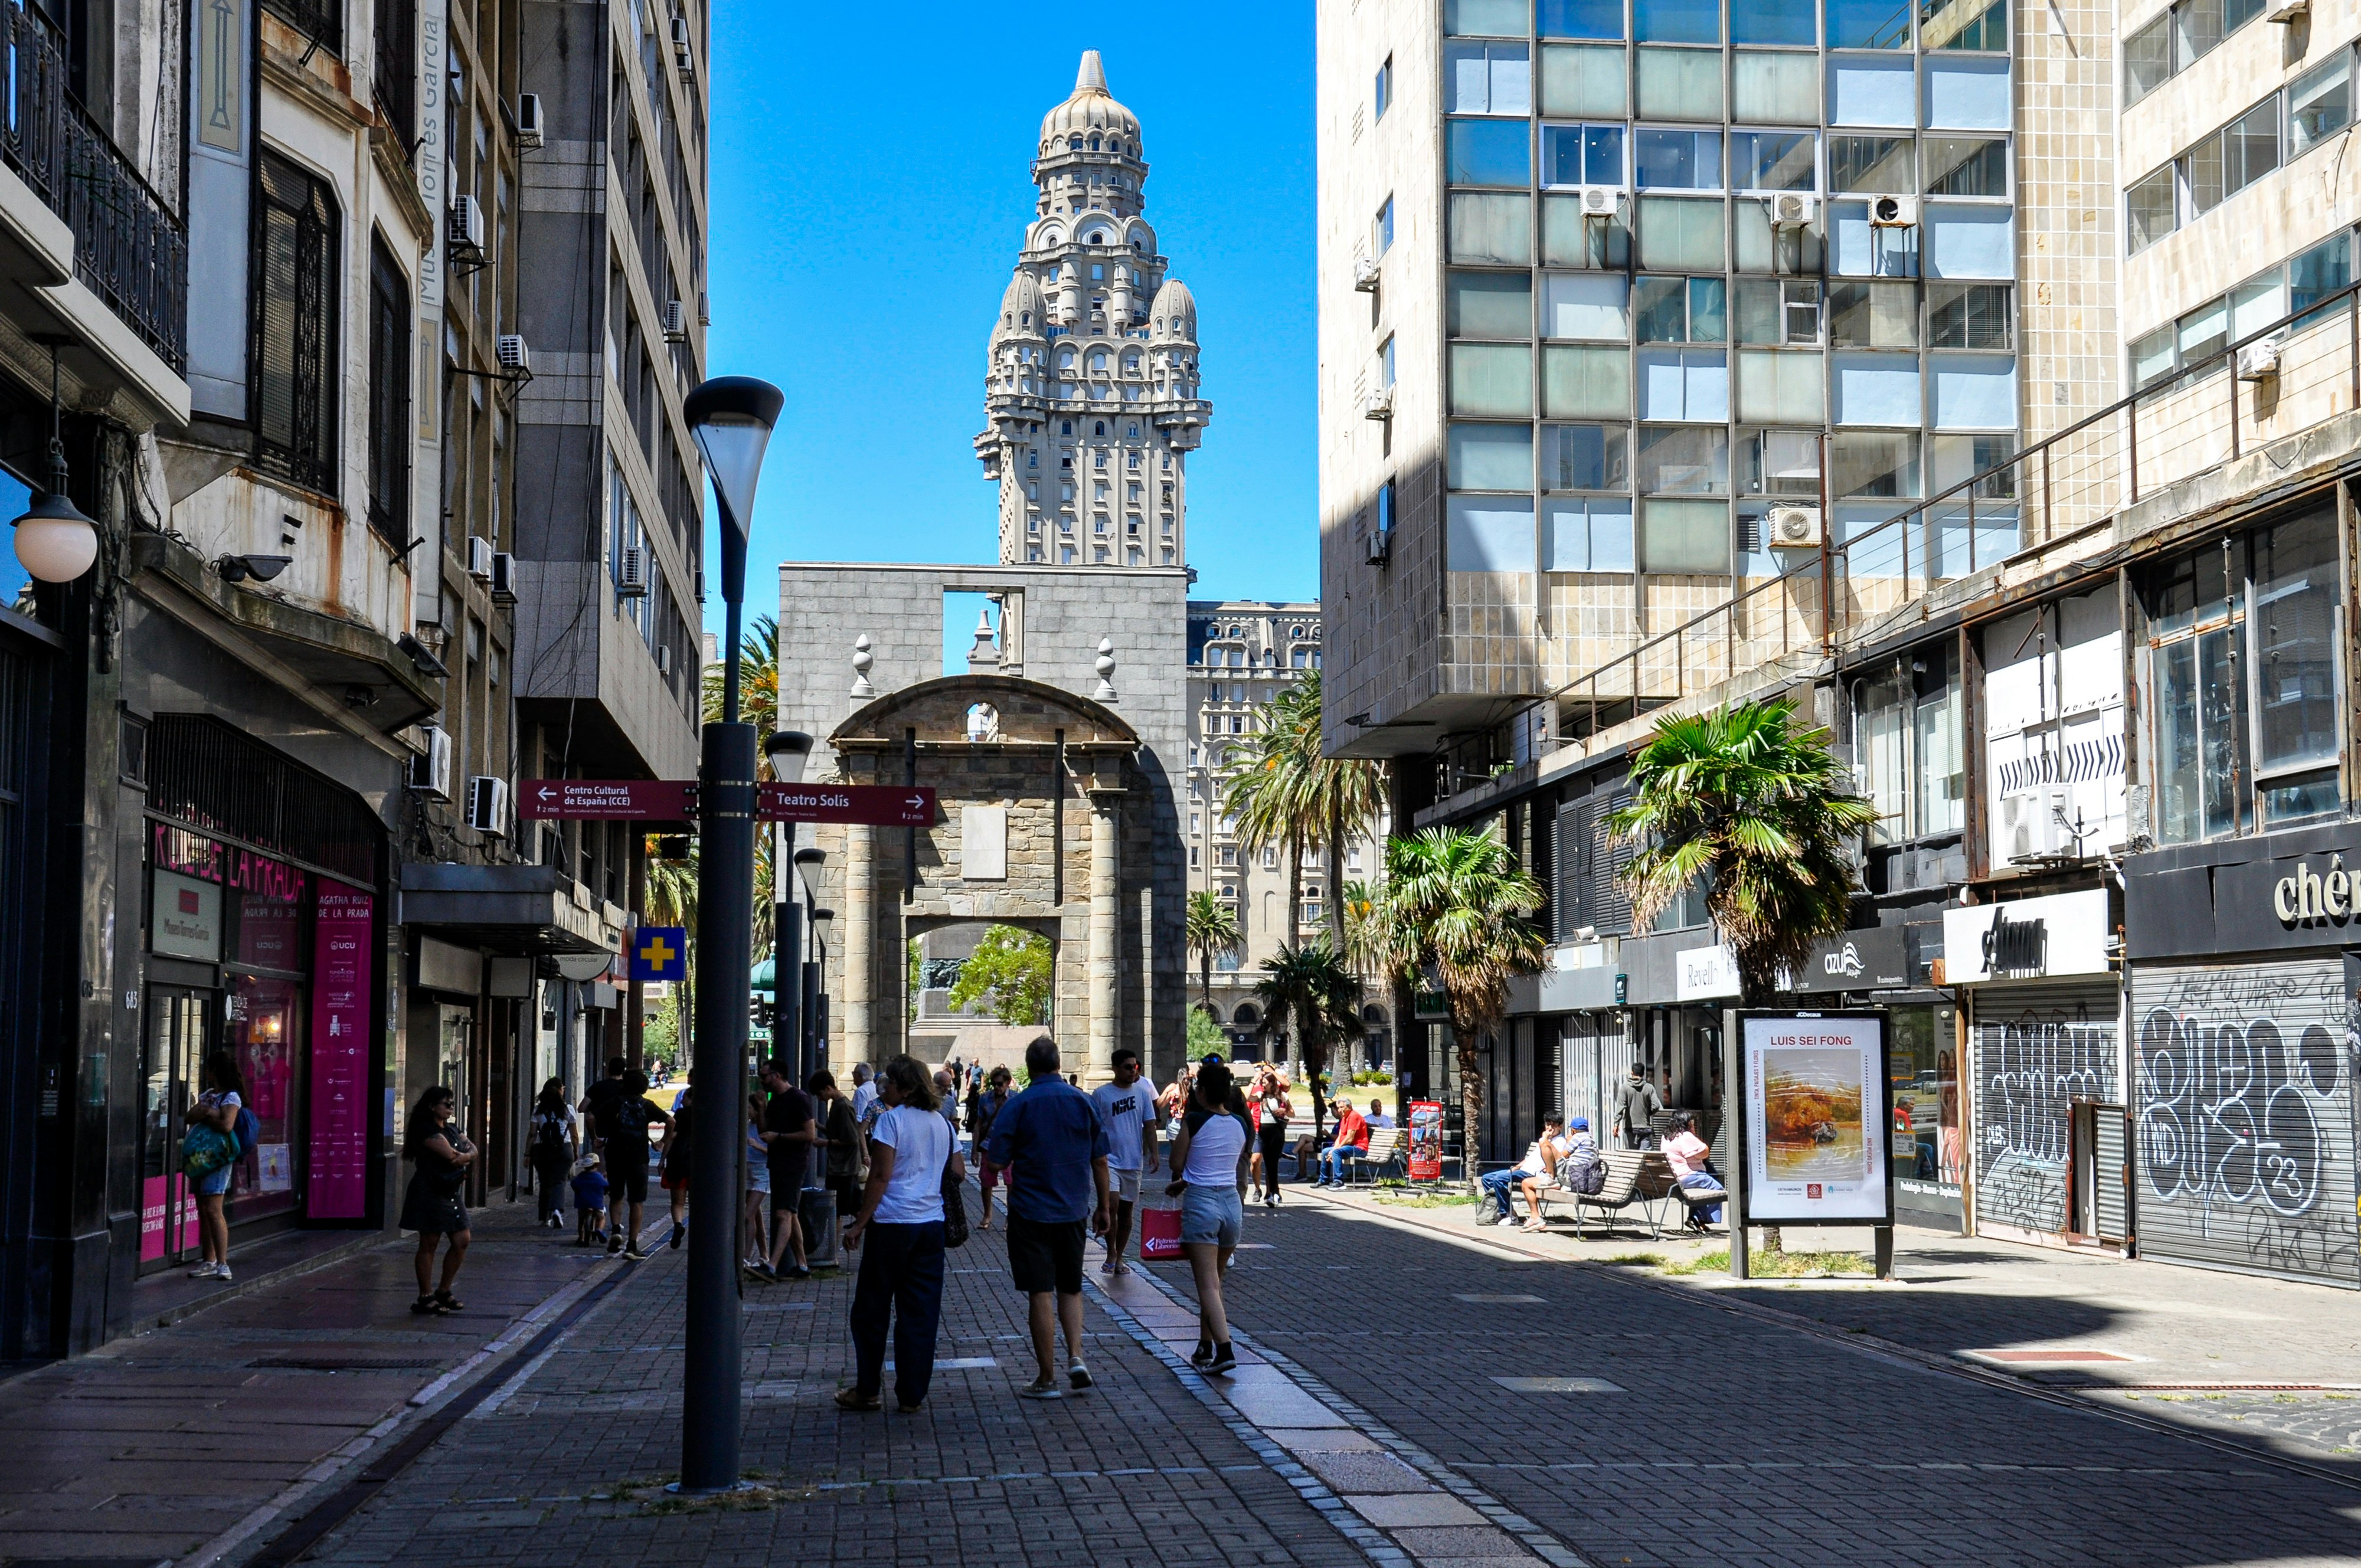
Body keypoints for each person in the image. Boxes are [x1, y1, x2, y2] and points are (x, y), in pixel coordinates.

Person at [985, 1036, 1111, 1400]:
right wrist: (1104, 1207)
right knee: (1071, 1287)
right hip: (1074, 1210)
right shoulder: (1083, 1102)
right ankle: (1077, 1356)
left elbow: (995, 1161)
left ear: (1030, 1068)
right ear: (1057, 1064)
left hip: (1030, 1212)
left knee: (1040, 1292)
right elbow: (1100, 1160)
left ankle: (1046, 1378)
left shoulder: (1018, 1105)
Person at [839, 1054, 965, 1414]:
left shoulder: (891, 1122)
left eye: (889, 1083)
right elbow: (958, 1171)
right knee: (920, 1312)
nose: (884, 1089)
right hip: (931, 1226)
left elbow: (880, 1177)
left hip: (892, 1225)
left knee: (871, 1311)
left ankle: (867, 1390)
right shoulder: (942, 1123)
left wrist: (860, 1223)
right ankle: (911, 1395)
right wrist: (927, 1178)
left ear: (905, 1087)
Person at [1164, 1060, 1253, 1375]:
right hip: (1231, 1203)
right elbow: (1219, 1163)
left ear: (1200, 1092)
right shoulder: (1241, 1124)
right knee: (1215, 1283)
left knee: (1207, 1286)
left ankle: (1225, 1348)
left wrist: (1182, 1178)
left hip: (1202, 1203)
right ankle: (1205, 1344)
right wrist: (1187, 1179)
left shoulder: (1195, 1120)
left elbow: (1176, 1160)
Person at [400, 1086, 476, 1314]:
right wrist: (463, 1156)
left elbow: (472, 1149)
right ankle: (425, 1296)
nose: (451, 1108)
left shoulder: (452, 1129)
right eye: (447, 1104)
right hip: (429, 1190)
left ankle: (444, 1290)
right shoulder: (425, 1130)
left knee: (462, 1239)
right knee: (429, 1243)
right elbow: (451, 1156)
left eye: (452, 1104)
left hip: (450, 1190)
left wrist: (467, 1155)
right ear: (433, 1107)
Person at [1089, 1047, 1159, 1274]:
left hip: (1133, 1160)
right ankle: (1110, 1252)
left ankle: (1120, 1256)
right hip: (1109, 1160)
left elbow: (1150, 1126)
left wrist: (1155, 1154)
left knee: (1127, 1213)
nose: (1132, 1071)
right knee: (1111, 1205)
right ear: (1116, 1069)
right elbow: (1093, 1127)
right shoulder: (1101, 1095)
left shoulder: (1142, 1093)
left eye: (1135, 1067)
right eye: (1128, 1067)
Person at [183, 1052, 248, 1280]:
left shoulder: (231, 1098)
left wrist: (208, 1112)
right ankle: (208, 1260)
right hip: (200, 1157)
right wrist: (204, 1111)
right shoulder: (208, 1094)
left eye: (208, 1068)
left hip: (218, 1158)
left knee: (214, 1209)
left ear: (215, 1071)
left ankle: (222, 1263)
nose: (206, 1073)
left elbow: (226, 1125)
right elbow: (190, 1117)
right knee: (203, 1209)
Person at [756, 1059, 817, 1280]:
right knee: (790, 1213)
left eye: (764, 1076)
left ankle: (772, 1265)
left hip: (793, 1163)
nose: (761, 1080)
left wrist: (779, 1138)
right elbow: (765, 1130)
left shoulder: (798, 1098)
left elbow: (810, 1134)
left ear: (777, 1075)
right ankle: (802, 1265)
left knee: (783, 1213)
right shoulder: (775, 1101)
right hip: (779, 1162)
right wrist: (762, 1108)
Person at [603, 1069, 671, 1259]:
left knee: (616, 1196)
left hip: (615, 1155)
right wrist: (662, 1141)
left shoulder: (615, 1103)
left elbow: (592, 1118)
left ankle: (616, 1229)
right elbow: (671, 1121)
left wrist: (598, 1137)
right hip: (639, 1159)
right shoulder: (647, 1105)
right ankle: (632, 1246)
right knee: (637, 1202)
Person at [809, 1069, 862, 1219]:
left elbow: (850, 1139)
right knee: (850, 1207)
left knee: (837, 1210)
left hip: (844, 1168)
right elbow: (839, 1133)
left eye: (820, 1094)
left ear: (828, 1088)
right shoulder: (838, 1104)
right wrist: (819, 1127)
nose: (820, 1098)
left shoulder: (843, 1106)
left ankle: (835, 1240)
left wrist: (824, 1143)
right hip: (843, 1167)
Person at [970, 1066, 1016, 1231]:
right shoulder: (985, 1099)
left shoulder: (1015, 1099)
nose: (996, 1087)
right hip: (988, 1144)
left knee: (1011, 1182)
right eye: (994, 1084)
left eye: (999, 1084)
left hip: (1010, 1146)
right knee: (986, 1181)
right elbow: (978, 1124)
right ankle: (987, 1214)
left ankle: (1010, 1217)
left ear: (1008, 1083)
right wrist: (974, 1150)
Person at [528, 1078, 575, 1230]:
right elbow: (574, 1135)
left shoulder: (538, 1110)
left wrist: (527, 1154)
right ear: (560, 1090)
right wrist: (576, 1152)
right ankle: (557, 1210)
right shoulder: (568, 1109)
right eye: (563, 1088)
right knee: (560, 1181)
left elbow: (532, 1134)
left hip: (543, 1150)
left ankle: (545, 1218)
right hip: (564, 1149)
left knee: (545, 1183)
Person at [1663, 1112, 1724, 1230]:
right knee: (1718, 1190)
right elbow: (1705, 1152)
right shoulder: (1685, 1136)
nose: (1693, 1127)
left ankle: (1696, 1218)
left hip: (1674, 1177)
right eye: (1692, 1124)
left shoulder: (1667, 1136)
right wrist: (1694, 1136)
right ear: (1687, 1124)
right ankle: (1701, 1219)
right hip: (1687, 1176)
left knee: (1702, 1187)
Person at [660, 1068, 695, 1249]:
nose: (681, 1100)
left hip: (678, 1161)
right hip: (696, 1162)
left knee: (677, 1201)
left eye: (685, 1098)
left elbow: (672, 1137)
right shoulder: (709, 1114)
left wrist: (662, 1159)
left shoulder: (682, 1115)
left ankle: (678, 1225)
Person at [1251, 1069, 1293, 1206]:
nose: (1263, 1084)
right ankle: (1267, 1191)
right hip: (1262, 1130)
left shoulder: (1281, 1095)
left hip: (1276, 1131)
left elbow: (1292, 1112)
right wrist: (1254, 1080)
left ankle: (1273, 1193)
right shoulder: (1260, 1094)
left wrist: (1284, 1111)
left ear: (1271, 1083)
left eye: (1265, 1082)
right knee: (1263, 1161)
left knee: (1272, 1163)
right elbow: (1246, 1098)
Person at [743, 1092, 774, 1271]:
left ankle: (746, 1256)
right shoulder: (746, 1125)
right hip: (748, 1169)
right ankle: (764, 1254)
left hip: (762, 1171)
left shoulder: (764, 1126)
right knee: (756, 1217)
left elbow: (774, 1151)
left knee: (748, 1215)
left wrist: (758, 1146)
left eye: (749, 1108)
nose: (746, 1112)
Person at [580, 1055, 630, 1161]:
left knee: (601, 1169)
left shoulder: (597, 1087)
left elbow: (582, 1108)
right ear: (624, 1071)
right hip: (624, 1135)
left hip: (601, 1134)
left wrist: (595, 1108)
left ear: (608, 1069)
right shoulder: (627, 1089)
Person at [1316, 1097, 1370, 1187]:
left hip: (1359, 1148)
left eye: (1342, 1107)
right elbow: (1340, 1137)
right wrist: (1333, 1149)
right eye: (1338, 1108)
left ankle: (1338, 1180)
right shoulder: (1345, 1118)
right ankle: (1324, 1179)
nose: (1340, 1110)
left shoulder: (1354, 1116)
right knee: (1326, 1151)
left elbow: (1349, 1139)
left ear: (1349, 1106)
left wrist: (1335, 1150)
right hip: (1349, 1147)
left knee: (1336, 1152)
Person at [1613, 1063, 1665, 1150]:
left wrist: (1616, 1124)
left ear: (1632, 1073)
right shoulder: (1649, 1088)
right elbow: (1656, 1106)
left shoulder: (1625, 1088)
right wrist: (1647, 1112)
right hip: (1645, 1127)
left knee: (1632, 1157)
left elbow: (1621, 1107)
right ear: (1643, 1074)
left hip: (1630, 1128)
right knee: (1645, 1156)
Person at [571, 1154, 609, 1246]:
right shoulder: (599, 1177)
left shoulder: (580, 1177)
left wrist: (578, 1191)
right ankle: (599, 1230)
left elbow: (574, 1184)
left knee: (581, 1220)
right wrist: (605, 1192)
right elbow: (606, 1186)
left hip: (583, 1204)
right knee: (601, 1218)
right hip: (597, 1204)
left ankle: (581, 1238)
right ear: (596, 1165)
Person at [849, 1062, 879, 1128]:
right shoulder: (875, 1088)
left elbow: (860, 1116)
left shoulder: (861, 1091)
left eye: (854, 1073)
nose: (853, 1076)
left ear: (860, 1075)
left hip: (865, 1131)